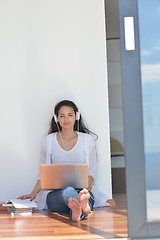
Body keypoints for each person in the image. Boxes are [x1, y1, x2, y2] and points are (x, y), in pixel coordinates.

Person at [18, 100, 116, 221]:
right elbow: (43, 175)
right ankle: (84, 208)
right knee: (67, 192)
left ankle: (78, 211)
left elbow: (92, 172)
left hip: (82, 191)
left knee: (83, 195)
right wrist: (33, 193)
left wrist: (86, 185)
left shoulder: (87, 140)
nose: (66, 119)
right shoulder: (49, 141)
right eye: (62, 116)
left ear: (77, 116)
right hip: (56, 195)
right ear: (56, 118)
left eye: (70, 115)